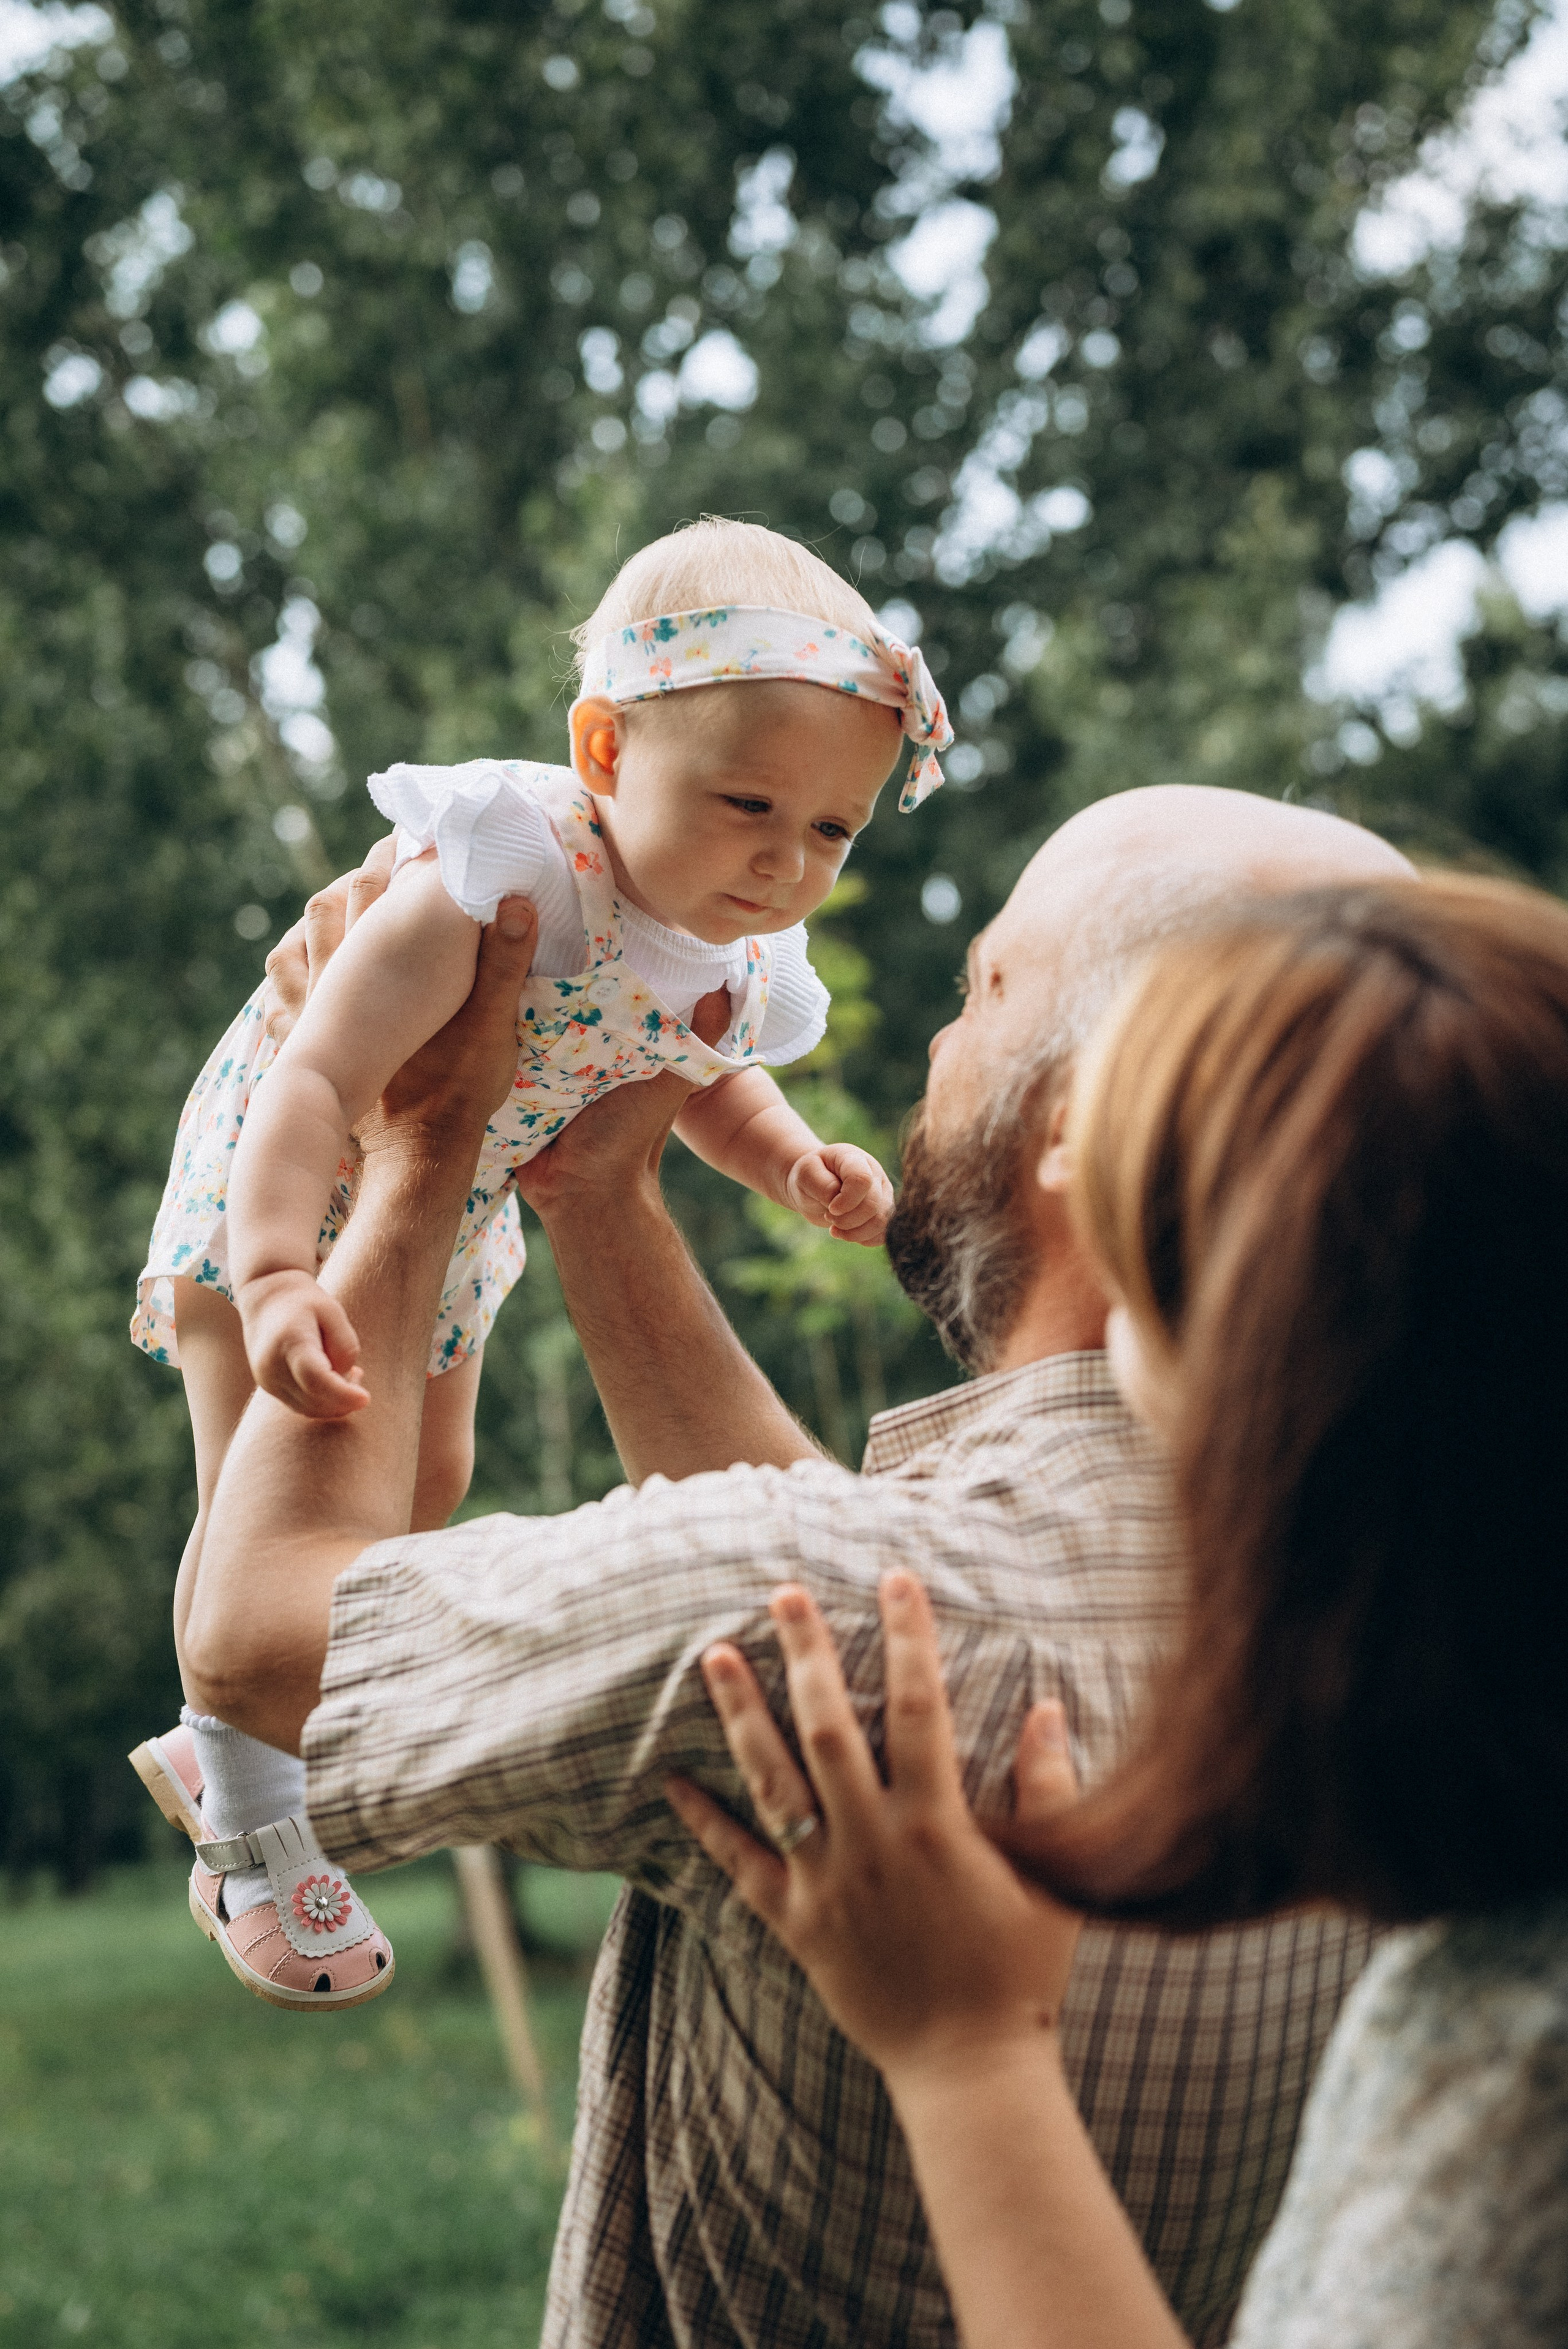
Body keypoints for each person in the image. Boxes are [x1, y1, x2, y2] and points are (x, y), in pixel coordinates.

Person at [182, 785, 1411, 2348]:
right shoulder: (1401, 1611)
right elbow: (829, 1577)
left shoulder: (866, 1616)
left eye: (986, 990)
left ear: (1081, 1135)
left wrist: (423, 1148)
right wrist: (592, 1192)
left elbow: (261, 1628)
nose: (933, 1048)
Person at [671, 875, 1568, 2349]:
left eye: (1151, 1268)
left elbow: (261, 1639)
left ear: (1280, 1388)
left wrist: (965, 2054)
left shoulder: (1507, 2111)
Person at [126, 517, 949, 2005]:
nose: (781, 861)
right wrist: (264, 1277)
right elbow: (313, 1081)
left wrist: (789, 1163)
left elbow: (706, 1077)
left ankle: (220, 1740)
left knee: (414, 1496)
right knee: (258, 1477)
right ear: (604, 749)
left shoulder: (739, 949)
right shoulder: (511, 871)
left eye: (832, 830)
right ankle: (246, 1825)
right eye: (748, 801)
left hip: (451, 1215)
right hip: (283, 1196)